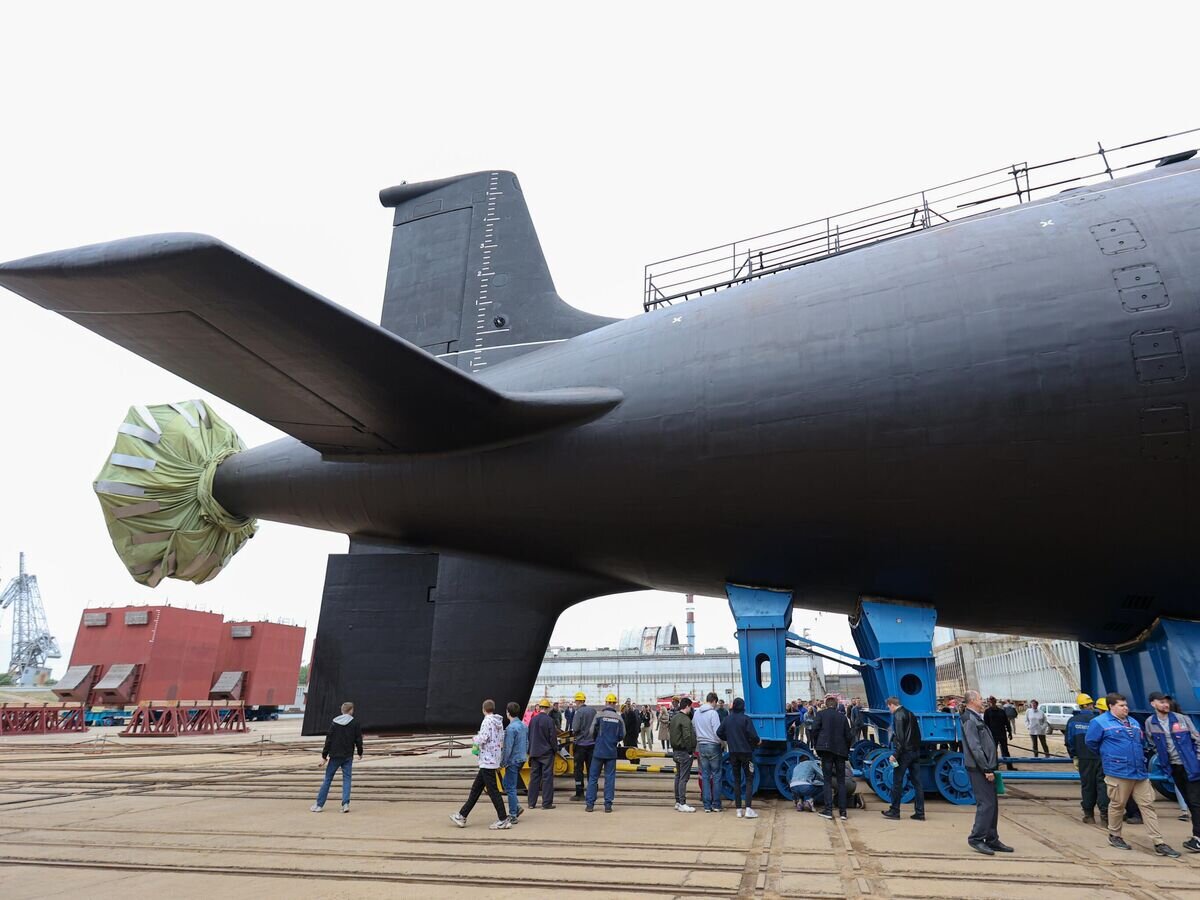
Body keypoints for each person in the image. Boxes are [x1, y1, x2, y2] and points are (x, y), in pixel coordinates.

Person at [1085, 692, 1180, 857]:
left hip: (1139, 772)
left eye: (1126, 705)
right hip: (1118, 772)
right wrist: (1111, 756)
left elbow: (1140, 742)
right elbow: (1091, 743)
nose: (1126, 708)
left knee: (1148, 806)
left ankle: (1159, 842)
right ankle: (1115, 835)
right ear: (1111, 706)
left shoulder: (1134, 722)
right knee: (1117, 805)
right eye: (1122, 706)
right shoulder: (1099, 723)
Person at [1145, 691, 1200, 853]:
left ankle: (1198, 838)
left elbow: (1197, 739)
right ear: (1153, 704)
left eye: (1167, 702)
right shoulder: (1151, 723)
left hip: (1191, 766)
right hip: (1173, 768)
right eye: (1161, 702)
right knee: (1190, 802)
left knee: (1195, 801)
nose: (1165, 704)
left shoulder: (1182, 719)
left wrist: (1197, 761)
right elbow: (1151, 742)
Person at [961, 690, 1013, 855]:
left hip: (986, 767)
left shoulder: (976, 717)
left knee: (993, 805)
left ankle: (992, 838)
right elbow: (974, 747)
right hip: (979, 769)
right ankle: (976, 838)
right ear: (972, 700)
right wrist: (986, 768)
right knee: (986, 804)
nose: (982, 701)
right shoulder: (969, 719)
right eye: (980, 699)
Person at [450, 699, 511, 830]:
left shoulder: (487, 721)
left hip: (486, 760)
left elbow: (483, 738)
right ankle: (462, 815)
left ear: (483, 709)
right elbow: (500, 739)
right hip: (492, 759)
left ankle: (503, 819)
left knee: (493, 791)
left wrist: (474, 738)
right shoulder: (498, 722)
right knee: (476, 789)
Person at [1064, 693, 1110, 824]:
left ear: (1079, 705)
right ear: (1090, 705)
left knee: (1087, 786)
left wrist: (1074, 756)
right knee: (1102, 785)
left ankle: (1089, 815)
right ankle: (1105, 816)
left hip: (1084, 758)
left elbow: (1069, 741)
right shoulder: (1099, 719)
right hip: (1100, 757)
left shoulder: (1073, 721)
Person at [312, 700, 364, 813]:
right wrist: (360, 752)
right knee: (347, 779)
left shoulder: (334, 723)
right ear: (350, 711)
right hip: (347, 756)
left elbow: (328, 740)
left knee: (328, 779)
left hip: (335, 756)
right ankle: (345, 804)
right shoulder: (355, 723)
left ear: (342, 711)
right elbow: (358, 740)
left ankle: (319, 805)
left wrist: (324, 756)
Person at [880, 695, 925, 821]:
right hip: (915, 752)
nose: (889, 710)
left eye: (888, 707)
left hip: (904, 754)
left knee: (897, 782)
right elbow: (917, 734)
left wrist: (895, 755)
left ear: (891, 705)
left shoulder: (898, 716)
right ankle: (920, 813)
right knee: (917, 784)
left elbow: (900, 738)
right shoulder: (910, 713)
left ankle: (895, 811)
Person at [809, 695, 852, 820]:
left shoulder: (821, 715)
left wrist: (817, 747)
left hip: (826, 751)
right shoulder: (843, 717)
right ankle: (843, 812)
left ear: (826, 704)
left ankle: (828, 810)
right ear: (837, 705)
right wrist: (846, 750)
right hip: (840, 752)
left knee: (827, 781)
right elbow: (849, 736)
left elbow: (814, 731)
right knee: (841, 781)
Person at [717, 697, 761, 818]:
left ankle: (738, 810)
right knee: (749, 779)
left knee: (736, 780)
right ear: (743, 707)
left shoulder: (727, 719)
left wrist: (729, 738)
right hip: (746, 753)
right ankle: (748, 808)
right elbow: (753, 735)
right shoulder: (746, 719)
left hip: (733, 753)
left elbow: (719, 732)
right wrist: (758, 741)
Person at [585, 693, 624, 812]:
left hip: (598, 751)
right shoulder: (619, 718)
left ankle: (590, 804)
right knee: (610, 778)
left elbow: (591, 732)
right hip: (611, 752)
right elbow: (622, 735)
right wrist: (613, 740)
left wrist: (597, 740)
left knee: (593, 778)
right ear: (615, 704)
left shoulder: (599, 715)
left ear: (606, 702)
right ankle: (608, 805)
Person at [693, 692, 724, 813]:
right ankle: (716, 804)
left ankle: (706, 805)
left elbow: (694, 728)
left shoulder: (696, 713)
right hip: (713, 746)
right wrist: (721, 743)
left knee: (705, 775)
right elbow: (717, 731)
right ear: (714, 701)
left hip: (701, 745)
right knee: (716, 775)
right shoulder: (713, 713)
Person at [527, 697, 558, 810]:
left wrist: (530, 751)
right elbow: (552, 738)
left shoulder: (533, 720)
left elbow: (529, 736)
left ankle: (531, 803)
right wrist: (555, 749)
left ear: (539, 708)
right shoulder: (549, 721)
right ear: (548, 709)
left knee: (534, 778)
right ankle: (546, 804)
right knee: (547, 778)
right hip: (546, 753)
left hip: (534, 753)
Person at [500, 701, 528, 824]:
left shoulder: (510, 728)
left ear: (508, 712)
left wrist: (503, 761)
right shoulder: (523, 725)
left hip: (513, 760)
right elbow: (527, 743)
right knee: (506, 783)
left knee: (510, 787)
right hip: (521, 758)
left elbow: (508, 747)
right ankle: (516, 807)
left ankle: (513, 814)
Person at [669, 696, 697, 812]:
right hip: (684, 752)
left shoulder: (675, 718)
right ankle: (682, 802)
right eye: (690, 707)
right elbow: (687, 736)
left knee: (678, 776)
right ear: (687, 706)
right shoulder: (685, 720)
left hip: (675, 751)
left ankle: (677, 802)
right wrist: (691, 750)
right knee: (683, 778)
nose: (691, 709)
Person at [571, 691, 596, 801]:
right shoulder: (593, 711)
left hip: (580, 745)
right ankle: (592, 792)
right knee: (592, 769)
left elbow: (575, 728)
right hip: (592, 745)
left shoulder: (579, 712)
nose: (575, 703)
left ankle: (579, 792)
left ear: (579, 701)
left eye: (576, 701)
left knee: (578, 770)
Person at [984, 696, 1015, 771]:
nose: (992, 702)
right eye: (990, 701)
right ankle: (994, 767)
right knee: (993, 751)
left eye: (993, 700)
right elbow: (985, 725)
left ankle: (1010, 767)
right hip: (992, 735)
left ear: (995, 701)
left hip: (1002, 734)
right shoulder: (987, 712)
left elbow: (1006, 723)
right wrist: (986, 735)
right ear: (989, 702)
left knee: (1005, 750)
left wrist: (1010, 732)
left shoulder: (1002, 711)